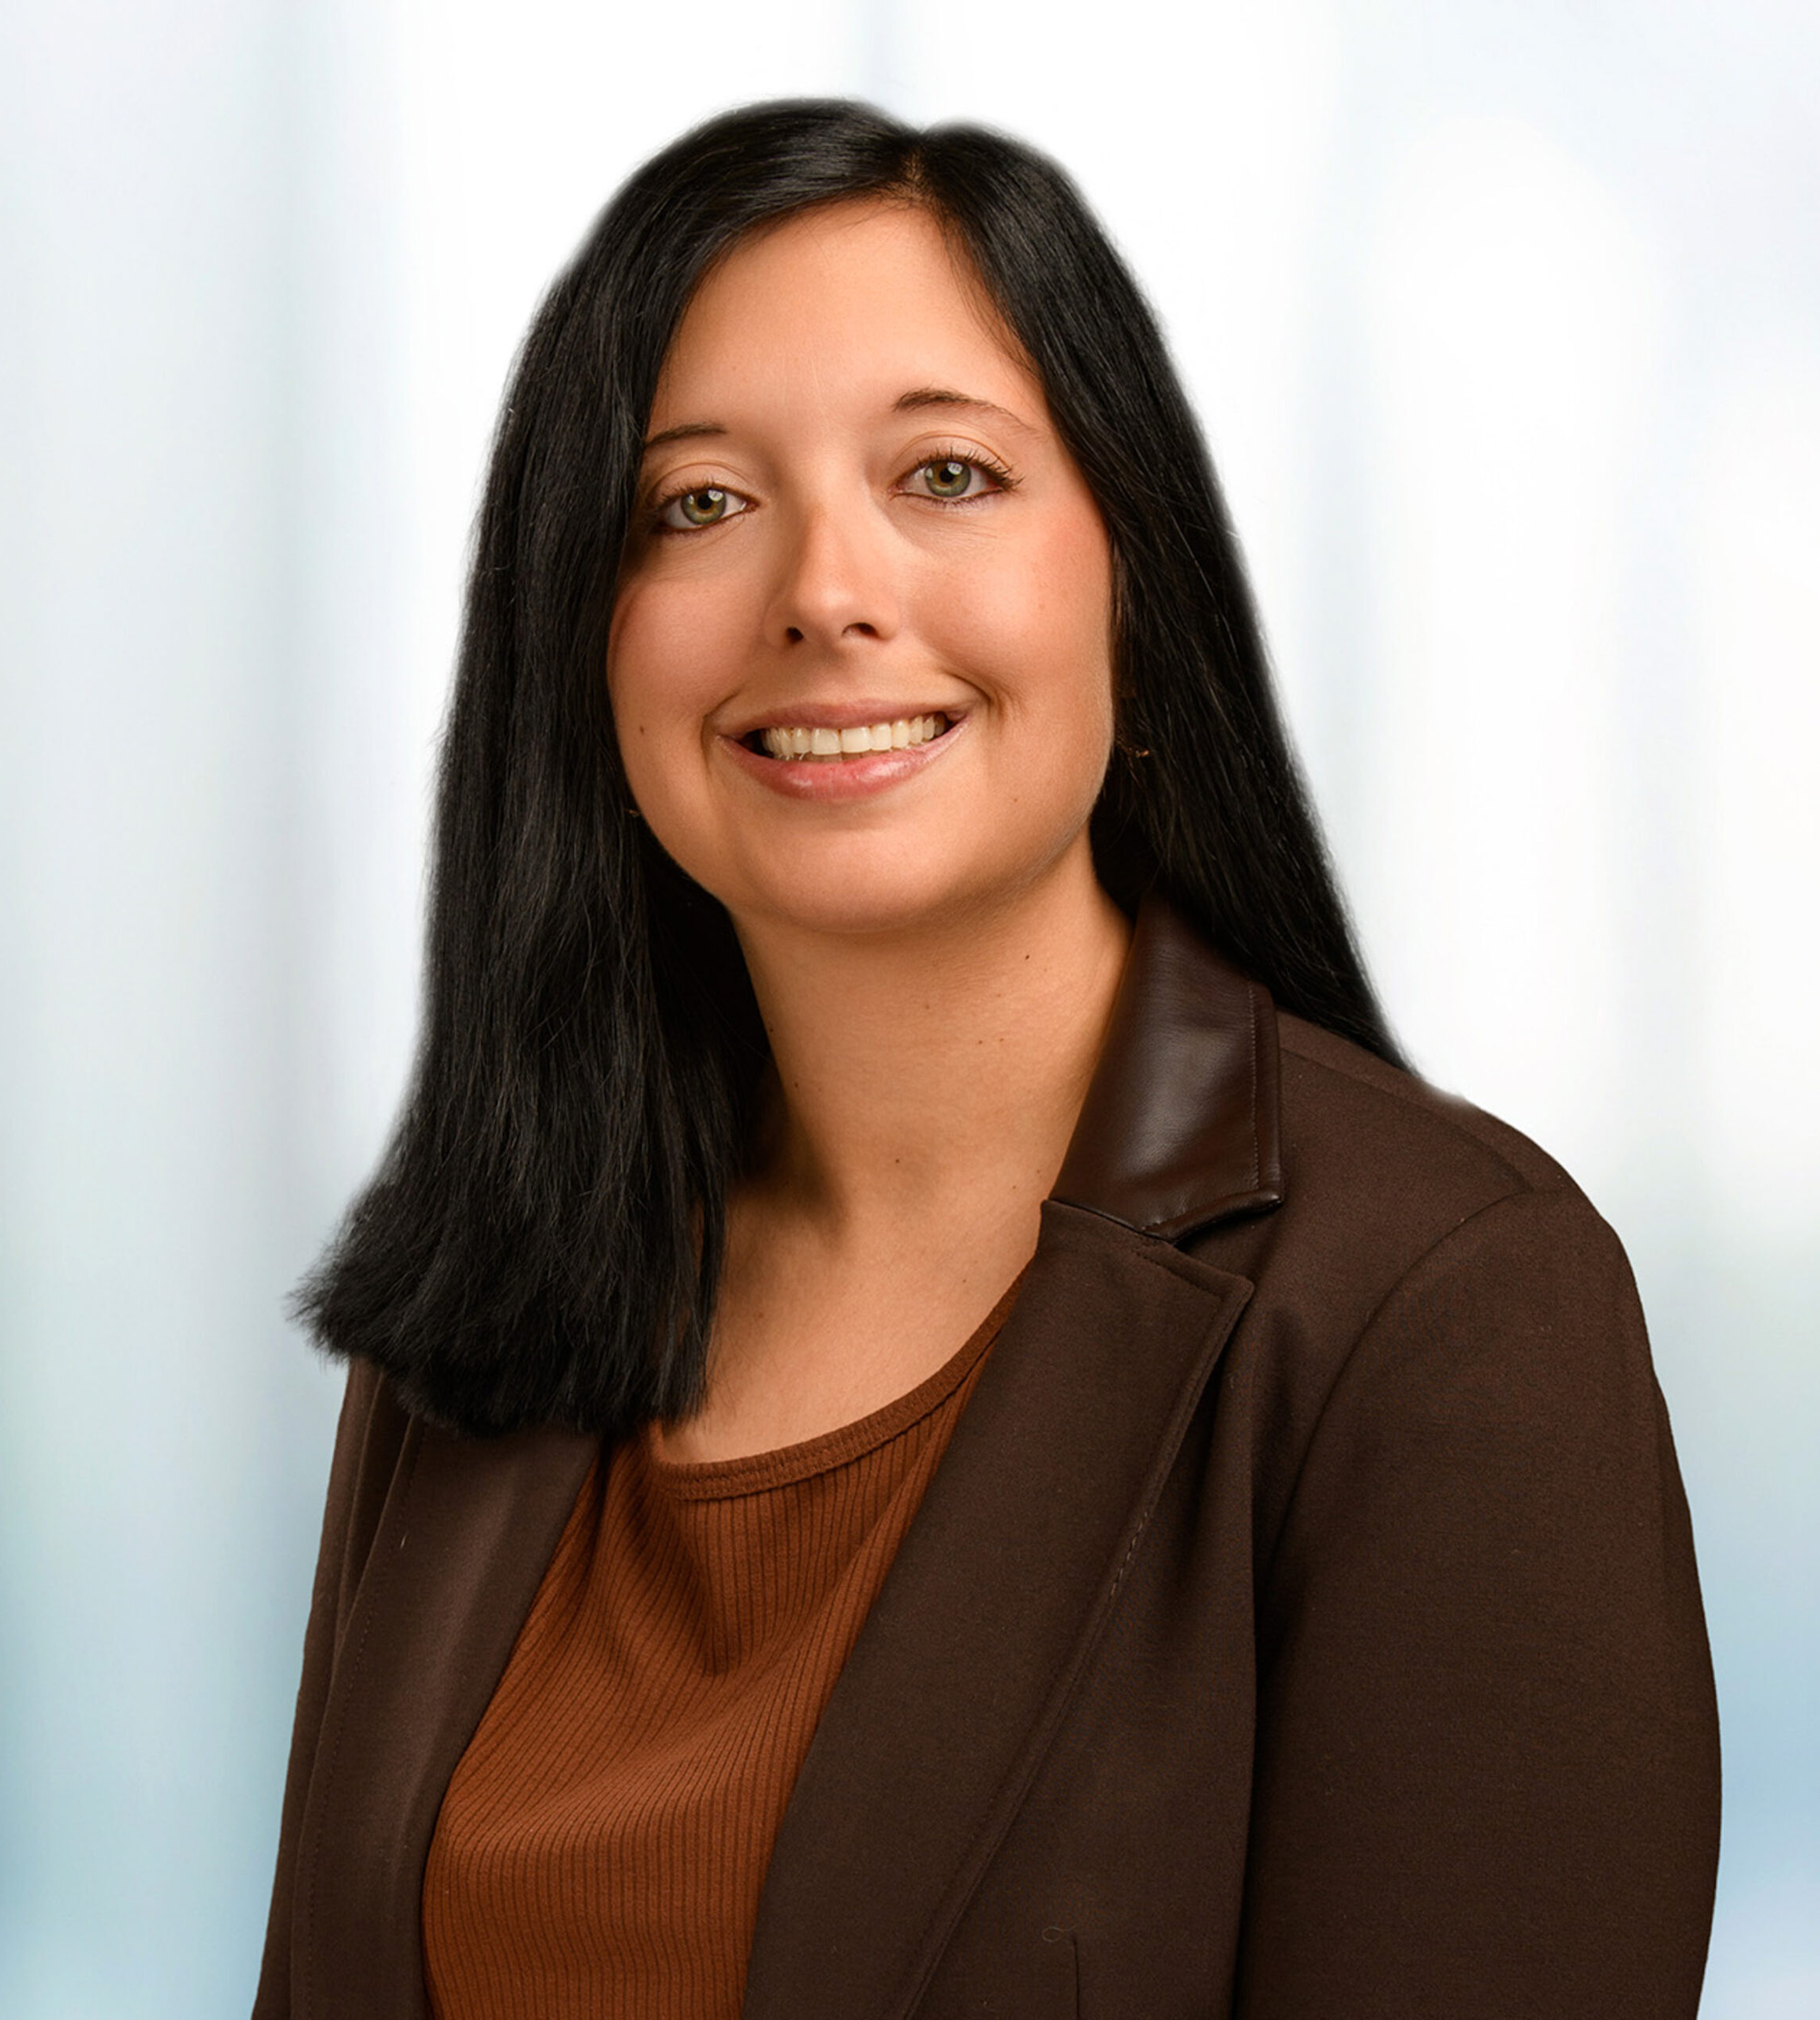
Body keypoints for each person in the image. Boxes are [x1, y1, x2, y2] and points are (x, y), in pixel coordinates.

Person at [253, 99, 1719, 2020]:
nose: (823, 590)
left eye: (943, 473)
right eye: (697, 501)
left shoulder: (1443, 1310)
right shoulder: (485, 1307)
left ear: (1129, 572)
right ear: (581, 640)